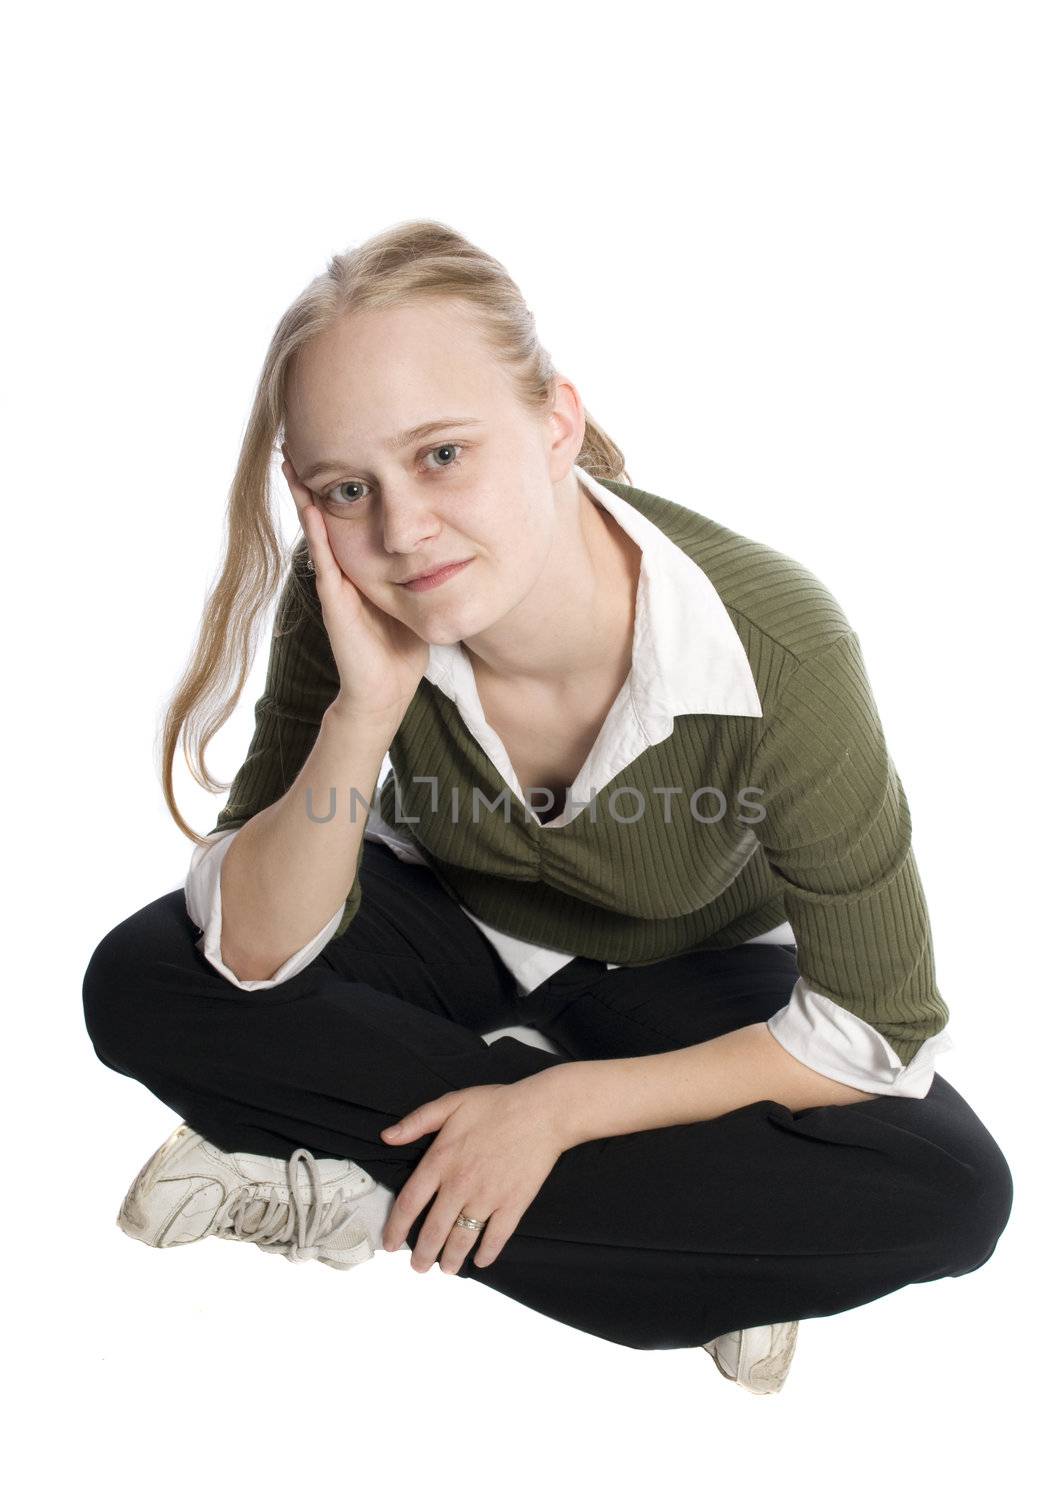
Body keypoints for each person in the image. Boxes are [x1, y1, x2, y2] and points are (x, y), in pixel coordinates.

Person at [81, 219, 1013, 1393]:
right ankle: (710, 1255)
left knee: (949, 1191)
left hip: (691, 981)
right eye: (346, 487)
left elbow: (878, 1026)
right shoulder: (349, 604)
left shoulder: (775, 645)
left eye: (441, 456)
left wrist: (564, 1109)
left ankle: (357, 1197)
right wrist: (363, 715)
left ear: (555, 420)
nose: (402, 531)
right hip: (453, 936)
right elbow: (254, 950)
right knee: (143, 979)